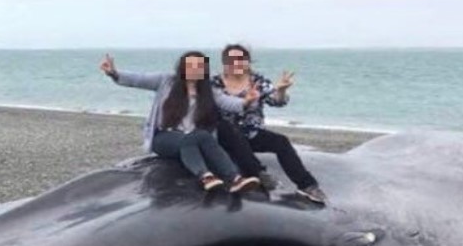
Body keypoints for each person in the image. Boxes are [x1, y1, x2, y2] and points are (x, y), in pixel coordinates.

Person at [100, 51, 260, 192]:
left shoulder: (208, 90)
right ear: (182, 68)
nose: (194, 69)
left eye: (199, 66)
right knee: (191, 138)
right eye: (190, 65)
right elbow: (138, 79)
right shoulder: (166, 82)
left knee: (203, 136)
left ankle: (235, 179)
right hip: (164, 137)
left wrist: (247, 101)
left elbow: (228, 103)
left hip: (193, 137)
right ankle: (205, 176)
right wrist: (114, 73)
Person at [212, 44, 327, 203]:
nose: (236, 63)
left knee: (281, 141)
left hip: (251, 133)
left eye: (241, 59)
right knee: (227, 130)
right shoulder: (215, 83)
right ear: (225, 63)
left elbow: (276, 101)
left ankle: (307, 185)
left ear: (248, 62)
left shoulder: (257, 80)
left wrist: (281, 90)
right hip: (226, 136)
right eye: (231, 60)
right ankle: (259, 173)